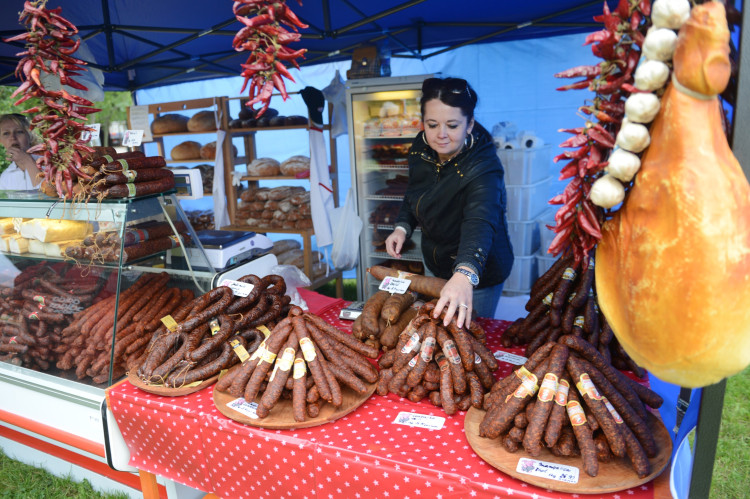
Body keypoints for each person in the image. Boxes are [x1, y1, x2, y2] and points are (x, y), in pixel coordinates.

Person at [385, 77, 514, 328]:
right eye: (432, 125)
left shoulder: (484, 167)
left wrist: (465, 273)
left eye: (452, 125)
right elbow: (415, 191)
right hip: (436, 261)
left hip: (478, 272)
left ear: (469, 125)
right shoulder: (421, 147)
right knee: (438, 331)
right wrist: (402, 226)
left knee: (475, 335)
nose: (441, 135)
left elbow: (480, 220)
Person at [0, 113, 42, 190]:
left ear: (29, 135)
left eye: (19, 132)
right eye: (6, 133)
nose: (12, 137)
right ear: (1, 140)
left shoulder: (48, 162)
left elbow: (51, 195)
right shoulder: (5, 177)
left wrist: (27, 161)